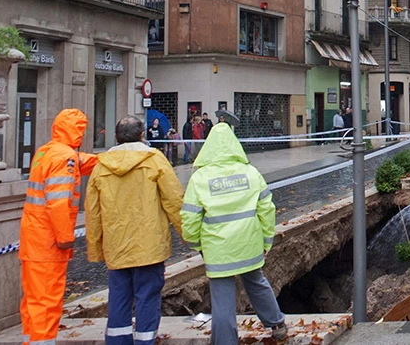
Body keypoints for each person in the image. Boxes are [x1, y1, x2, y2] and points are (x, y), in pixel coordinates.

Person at [181, 123, 286, 345]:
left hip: (217, 249)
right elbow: (267, 210)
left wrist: (197, 245)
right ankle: (277, 324)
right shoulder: (251, 173)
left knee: (222, 301)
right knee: (257, 282)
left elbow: (190, 219)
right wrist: (267, 241)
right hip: (249, 244)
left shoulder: (200, 179)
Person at [84, 115, 184, 345]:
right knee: (148, 297)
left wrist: (96, 248)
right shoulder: (154, 159)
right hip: (149, 246)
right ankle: (145, 341)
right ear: (142, 135)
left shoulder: (101, 165)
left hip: (116, 246)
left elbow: (93, 210)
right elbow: (174, 201)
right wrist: (188, 235)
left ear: (116, 137)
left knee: (118, 298)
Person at [19, 108, 98, 345]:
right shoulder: (65, 158)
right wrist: (65, 237)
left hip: (33, 238)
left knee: (32, 300)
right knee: (47, 301)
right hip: (49, 242)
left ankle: (30, 340)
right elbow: (58, 204)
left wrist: (114, 156)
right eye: (81, 130)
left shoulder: (46, 151)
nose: (82, 134)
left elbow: (82, 162)